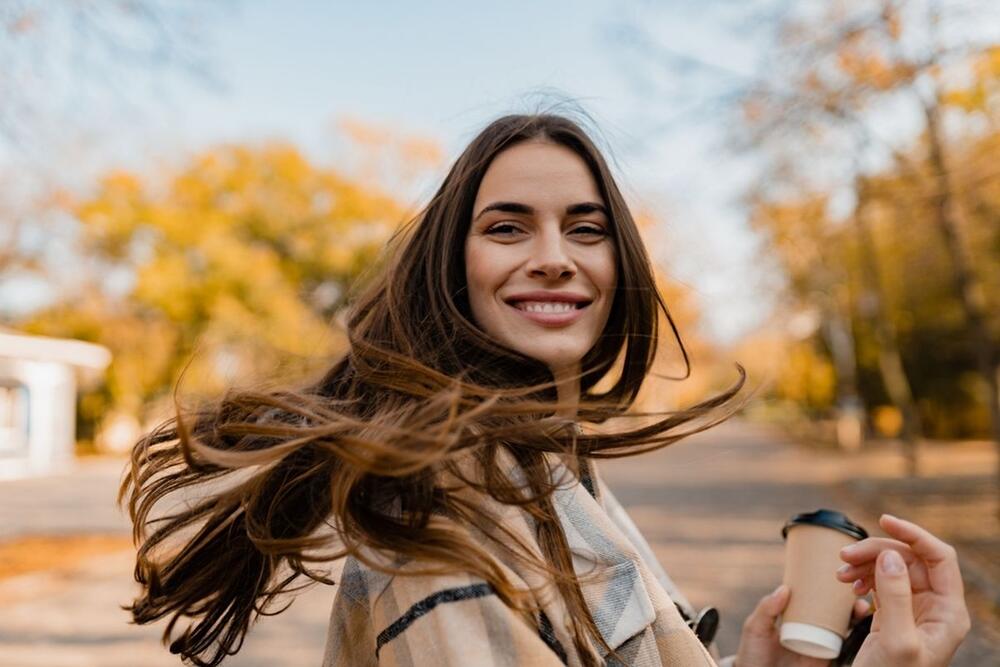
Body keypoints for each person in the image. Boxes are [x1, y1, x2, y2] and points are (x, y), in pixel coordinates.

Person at [119, 113, 972, 667]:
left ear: (620, 266)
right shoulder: (444, 524)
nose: (556, 254)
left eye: (586, 228)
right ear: (454, 269)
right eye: (507, 226)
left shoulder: (548, 467)